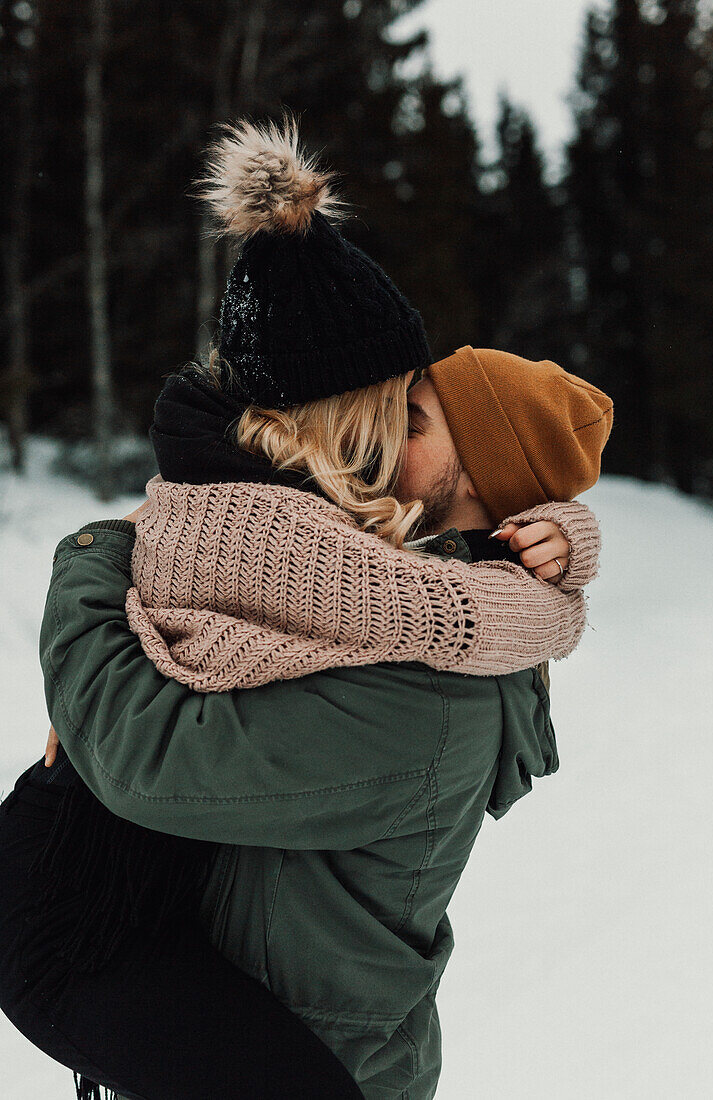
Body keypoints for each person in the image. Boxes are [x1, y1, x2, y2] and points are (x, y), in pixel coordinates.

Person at [1, 117, 612, 1100]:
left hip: (309, 1065)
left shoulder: (429, 689)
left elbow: (143, 757)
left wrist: (95, 562)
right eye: (403, 410)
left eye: (419, 421)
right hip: (217, 1036)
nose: (399, 445)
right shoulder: (367, 587)